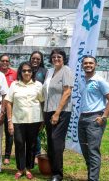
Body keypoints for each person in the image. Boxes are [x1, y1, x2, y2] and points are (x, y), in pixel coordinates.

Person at [78, 55, 109, 181]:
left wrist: (103, 117)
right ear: (82, 65)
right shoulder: (81, 80)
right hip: (82, 118)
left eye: (90, 63)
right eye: (85, 63)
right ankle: (91, 177)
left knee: (93, 151)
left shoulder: (100, 81)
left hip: (95, 118)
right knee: (85, 151)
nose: (88, 65)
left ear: (95, 65)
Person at [5, 61, 44, 180]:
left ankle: (28, 168)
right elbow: (8, 103)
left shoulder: (38, 85)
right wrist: (10, 121)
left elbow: (42, 102)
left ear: (32, 72)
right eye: (24, 70)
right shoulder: (14, 85)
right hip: (18, 120)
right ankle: (20, 168)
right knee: (19, 144)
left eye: (29, 70)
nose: (26, 73)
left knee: (31, 145)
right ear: (20, 72)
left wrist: (42, 122)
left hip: (34, 120)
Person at [43, 48, 74, 181]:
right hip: (48, 110)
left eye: (59, 57)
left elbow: (67, 92)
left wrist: (57, 113)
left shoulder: (66, 70)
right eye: (54, 57)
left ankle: (57, 174)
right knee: (50, 141)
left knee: (56, 141)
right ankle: (52, 169)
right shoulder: (49, 72)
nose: (56, 59)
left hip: (61, 111)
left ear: (63, 59)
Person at [29, 51, 47, 163]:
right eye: (33, 58)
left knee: (36, 131)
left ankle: (37, 153)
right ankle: (28, 152)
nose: (35, 61)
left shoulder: (44, 72)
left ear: (41, 60)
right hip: (26, 105)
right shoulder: (25, 69)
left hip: (39, 104)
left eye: (38, 59)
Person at [0, 54, 17, 165]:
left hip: (11, 108)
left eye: (7, 61)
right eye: (2, 61)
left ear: (9, 62)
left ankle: (7, 156)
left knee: (9, 132)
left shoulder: (14, 74)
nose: (5, 63)